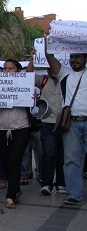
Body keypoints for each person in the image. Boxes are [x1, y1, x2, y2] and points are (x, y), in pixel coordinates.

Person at [44, 31, 87, 205]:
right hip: (72, 124)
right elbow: (50, 57)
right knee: (71, 160)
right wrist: (48, 41)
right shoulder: (65, 74)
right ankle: (74, 195)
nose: (74, 60)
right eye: (71, 57)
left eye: (78, 57)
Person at [0, 59, 31, 209]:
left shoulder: (25, 86)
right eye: (5, 68)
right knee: (5, 161)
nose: (7, 71)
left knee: (14, 161)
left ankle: (10, 196)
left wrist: (33, 98)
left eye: (11, 68)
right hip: (1, 127)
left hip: (21, 127)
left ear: (18, 71)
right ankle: (16, 189)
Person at [26, 52, 65, 195]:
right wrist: (32, 59)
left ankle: (61, 183)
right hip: (47, 123)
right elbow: (28, 76)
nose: (51, 71)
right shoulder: (43, 81)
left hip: (64, 123)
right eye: (49, 69)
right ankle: (47, 183)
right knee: (48, 153)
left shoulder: (67, 80)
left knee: (62, 154)